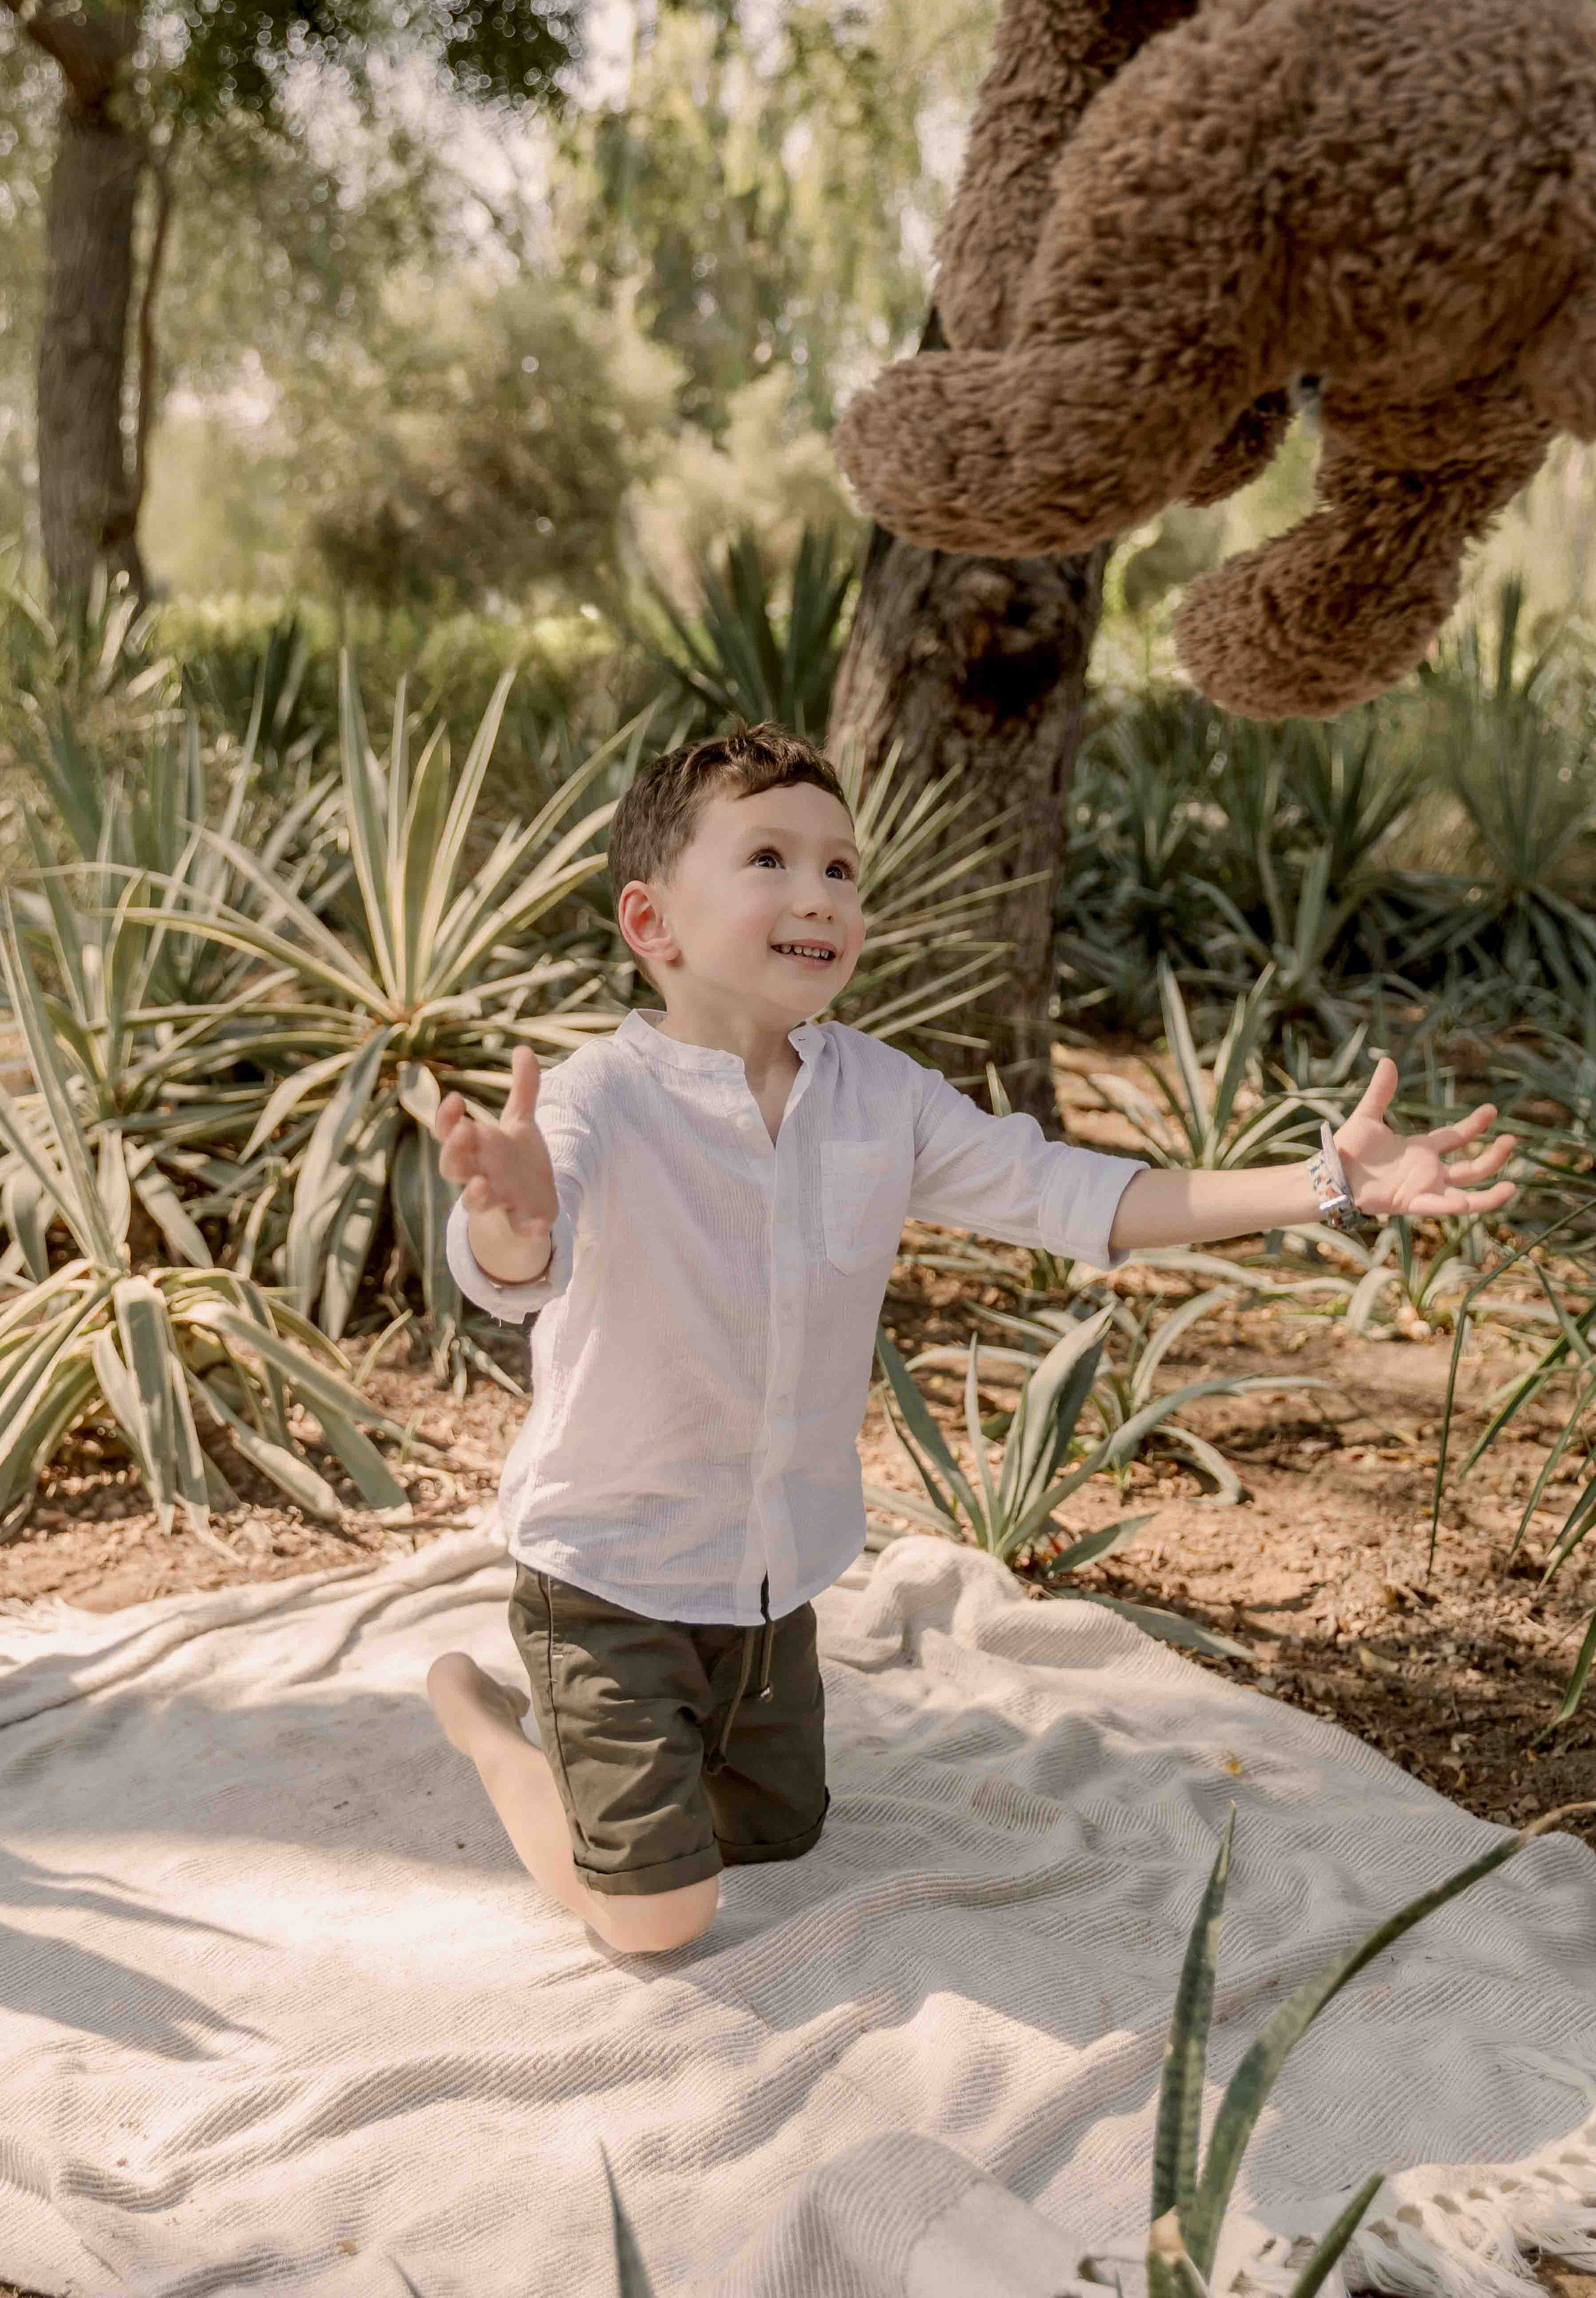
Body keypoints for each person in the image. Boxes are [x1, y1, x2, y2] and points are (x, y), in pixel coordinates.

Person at [425, 723, 1516, 1957]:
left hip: (770, 1585)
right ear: (652, 925)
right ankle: (485, 1719)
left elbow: (1079, 1198)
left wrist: (1320, 1184)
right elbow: (512, 1271)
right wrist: (512, 1214)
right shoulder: (594, 1102)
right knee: (660, 1915)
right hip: (611, 1577)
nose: (819, 894)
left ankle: (619, 1746)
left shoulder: (881, 1095)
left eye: (841, 870)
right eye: (771, 859)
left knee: (780, 1834)